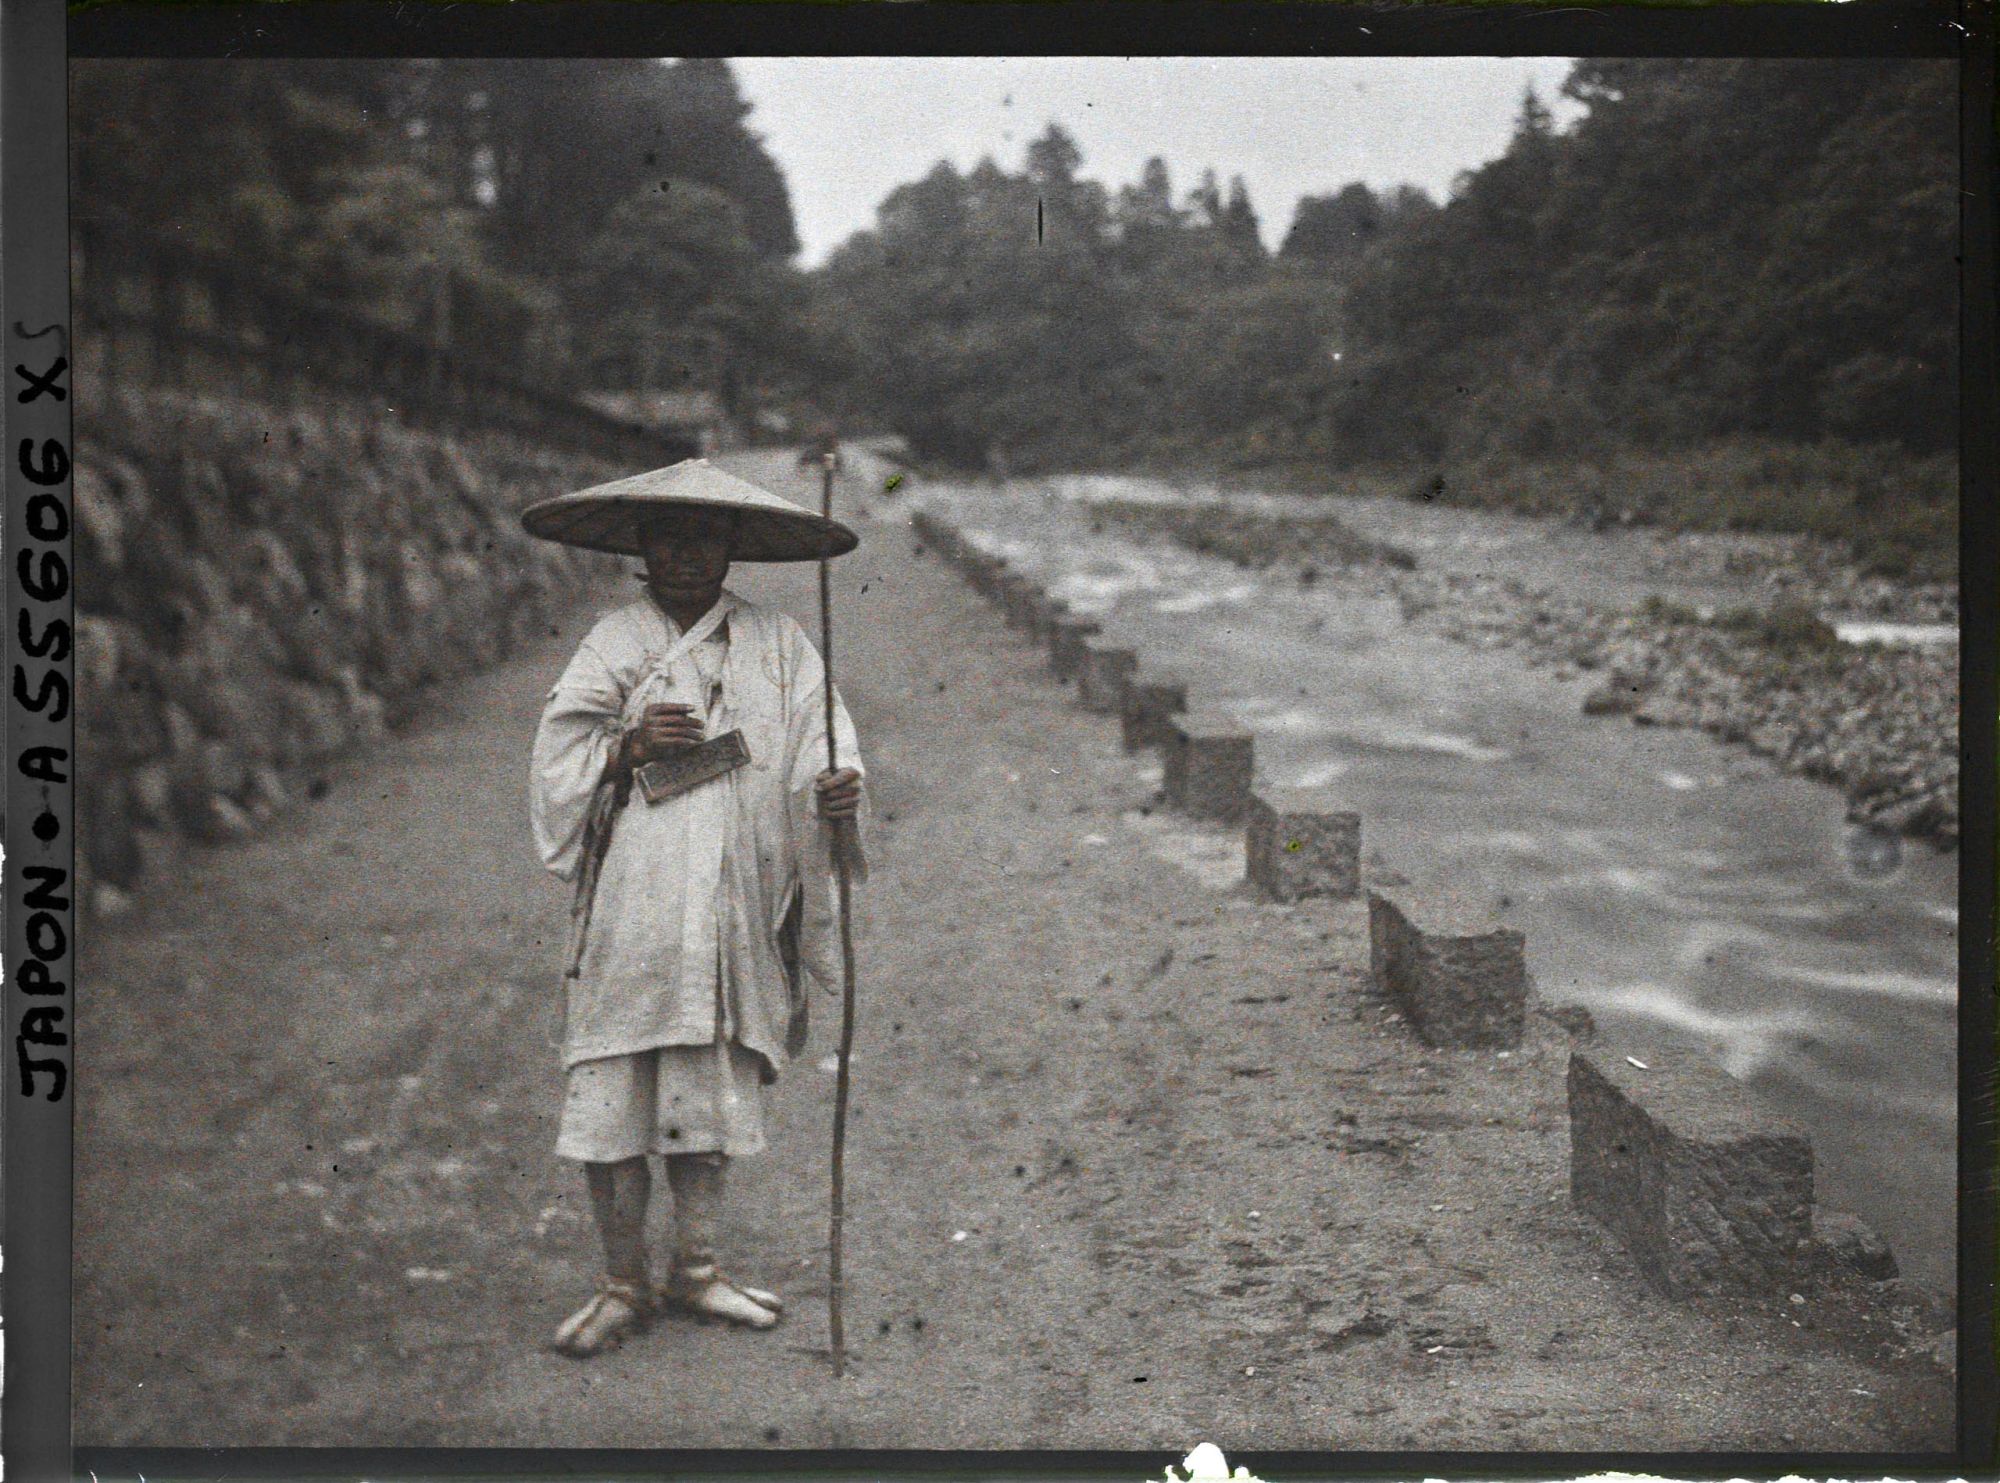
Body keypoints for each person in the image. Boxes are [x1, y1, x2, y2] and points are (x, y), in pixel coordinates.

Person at [522, 459, 864, 1357]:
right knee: (614, 1079)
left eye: (704, 537)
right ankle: (619, 1281)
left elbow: (820, 732)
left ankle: (700, 1266)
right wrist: (626, 742)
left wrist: (833, 783)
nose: (684, 554)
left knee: (708, 1076)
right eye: (666, 536)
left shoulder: (779, 641)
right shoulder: (615, 638)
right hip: (635, 895)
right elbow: (560, 747)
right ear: (643, 546)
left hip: (729, 895)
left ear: (730, 548)